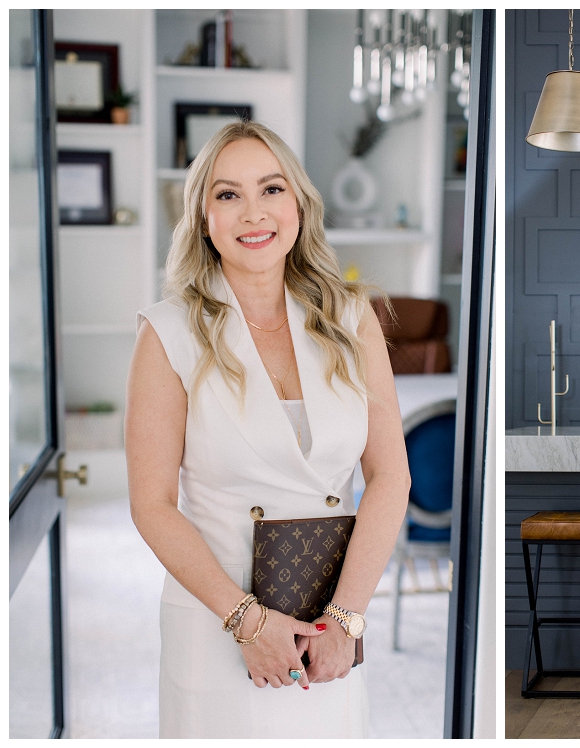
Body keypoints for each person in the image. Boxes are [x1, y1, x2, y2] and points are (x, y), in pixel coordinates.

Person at [125, 121, 410, 738]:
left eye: (271, 189)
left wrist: (347, 618)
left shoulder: (352, 317)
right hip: (217, 623)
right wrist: (248, 623)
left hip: (327, 624)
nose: (253, 213)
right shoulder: (167, 333)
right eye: (228, 194)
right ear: (204, 218)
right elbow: (151, 506)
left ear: (300, 206)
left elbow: (390, 477)